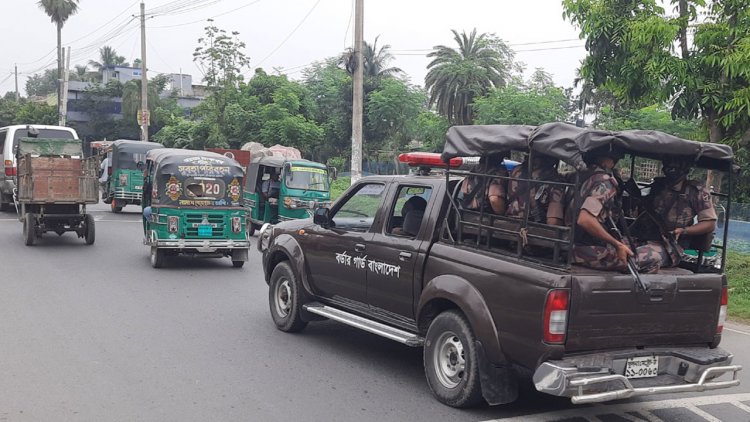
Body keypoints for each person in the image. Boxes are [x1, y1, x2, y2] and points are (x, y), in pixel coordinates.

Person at [570, 147, 664, 273]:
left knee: (632, 243)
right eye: (614, 160)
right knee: (653, 258)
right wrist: (617, 245)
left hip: (569, 245)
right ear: (607, 161)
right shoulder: (603, 181)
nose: (614, 164)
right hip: (587, 250)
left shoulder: (576, 176)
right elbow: (585, 220)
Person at [632, 156, 718, 269]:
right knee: (613, 251)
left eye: (675, 167)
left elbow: (709, 223)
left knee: (634, 259)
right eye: (668, 166)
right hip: (642, 238)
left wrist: (684, 231)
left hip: (670, 246)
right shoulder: (658, 186)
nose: (671, 171)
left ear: (685, 169)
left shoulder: (696, 191)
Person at [505, 153, 564, 225]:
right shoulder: (554, 180)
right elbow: (553, 221)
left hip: (509, 221)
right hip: (535, 228)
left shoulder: (516, 170)